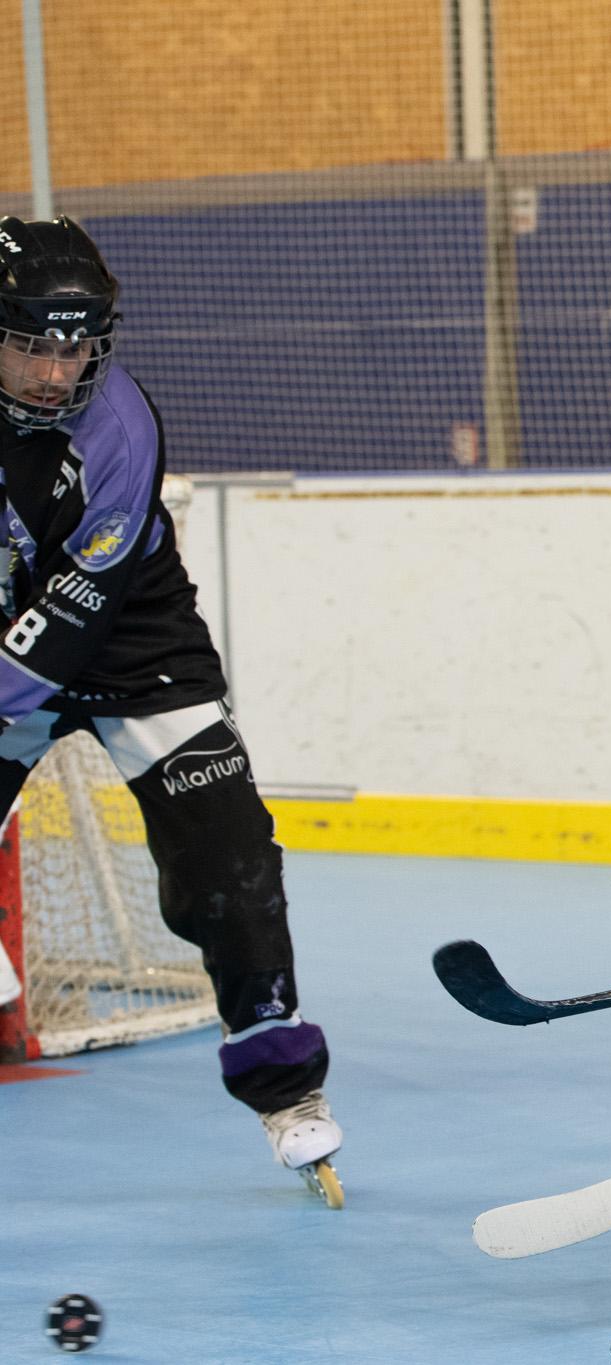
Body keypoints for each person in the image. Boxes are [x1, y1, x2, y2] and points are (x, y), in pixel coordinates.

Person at [0, 216, 342, 1206]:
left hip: (135, 646)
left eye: (75, 349)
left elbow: (71, 618)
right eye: (31, 346)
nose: (56, 374)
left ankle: (285, 1089)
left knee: (231, 865)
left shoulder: (118, 426)